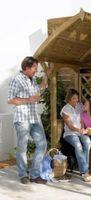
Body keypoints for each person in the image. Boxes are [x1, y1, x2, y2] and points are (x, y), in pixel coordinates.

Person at [7, 56, 50, 184]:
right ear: (26, 67)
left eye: (37, 68)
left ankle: (35, 174)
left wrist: (46, 75)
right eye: (34, 68)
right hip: (22, 118)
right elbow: (10, 99)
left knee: (42, 145)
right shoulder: (17, 80)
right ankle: (23, 175)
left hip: (34, 117)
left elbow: (41, 87)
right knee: (22, 147)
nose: (36, 70)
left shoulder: (32, 80)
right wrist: (28, 100)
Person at [60, 89, 91, 182]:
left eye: (77, 98)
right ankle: (84, 172)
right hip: (70, 134)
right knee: (78, 146)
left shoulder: (80, 106)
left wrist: (83, 129)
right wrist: (79, 130)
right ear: (69, 98)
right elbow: (69, 125)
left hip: (80, 132)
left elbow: (82, 118)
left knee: (88, 142)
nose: (76, 100)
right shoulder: (65, 110)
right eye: (74, 98)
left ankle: (84, 168)